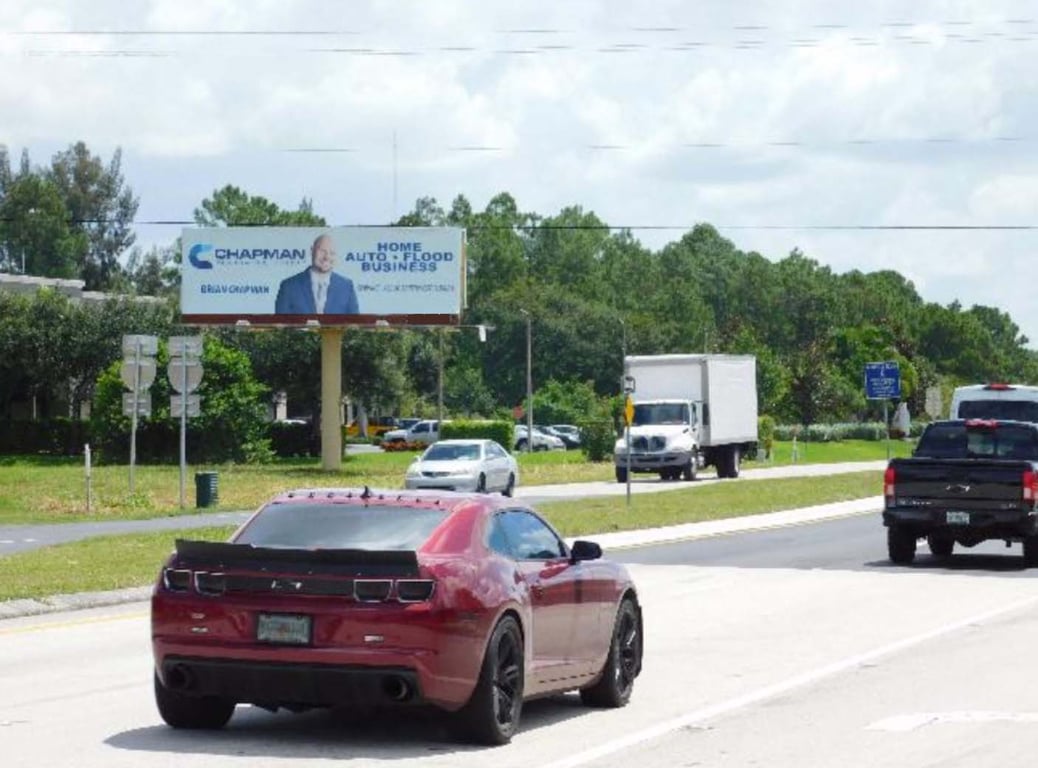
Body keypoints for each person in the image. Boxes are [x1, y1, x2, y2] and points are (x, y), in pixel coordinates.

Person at [274, 233, 359, 314]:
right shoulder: (289, 286)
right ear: (312, 250)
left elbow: (355, 324)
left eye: (332, 253)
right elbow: (280, 325)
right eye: (322, 251)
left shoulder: (346, 287)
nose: (327, 257)